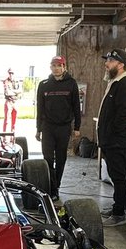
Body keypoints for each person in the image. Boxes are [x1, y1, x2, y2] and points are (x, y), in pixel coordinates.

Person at [97, 48, 126, 226]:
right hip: (109, 140)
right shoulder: (114, 82)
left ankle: (119, 214)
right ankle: (116, 206)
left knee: (119, 176)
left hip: (116, 141)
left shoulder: (125, 84)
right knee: (114, 175)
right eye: (107, 61)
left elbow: (124, 115)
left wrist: (113, 138)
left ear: (121, 65)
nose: (107, 64)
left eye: (111, 61)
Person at [36, 55, 81, 196]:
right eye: (53, 66)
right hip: (48, 127)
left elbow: (76, 107)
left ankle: (56, 186)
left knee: (61, 158)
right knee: (48, 158)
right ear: (50, 68)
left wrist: (77, 128)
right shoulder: (44, 85)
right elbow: (40, 108)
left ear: (64, 67)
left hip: (64, 127)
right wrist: (38, 129)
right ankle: (51, 187)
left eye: (59, 66)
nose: (56, 68)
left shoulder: (71, 83)